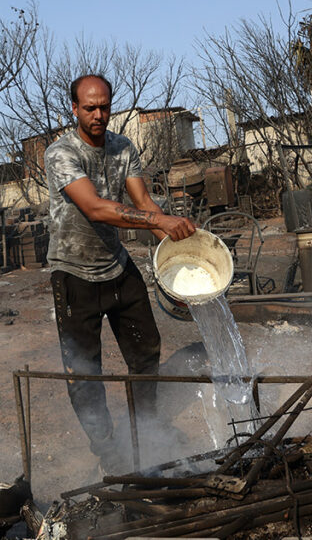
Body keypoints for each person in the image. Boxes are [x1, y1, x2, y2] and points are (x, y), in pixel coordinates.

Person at [45, 74, 197, 472]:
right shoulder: (61, 153)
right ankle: (109, 451)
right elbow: (94, 208)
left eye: (104, 107)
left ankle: (145, 431)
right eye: (90, 108)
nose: (98, 115)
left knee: (146, 351)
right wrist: (157, 222)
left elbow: (143, 200)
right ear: (74, 109)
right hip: (73, 274)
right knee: (84, 373)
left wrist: (177, 247)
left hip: (116, 265)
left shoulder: (123, 147)